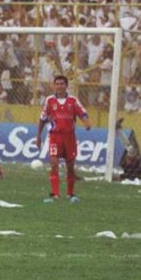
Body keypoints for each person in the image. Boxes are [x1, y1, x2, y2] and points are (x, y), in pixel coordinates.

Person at [36, 74, 91, 203]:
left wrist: (87, 122)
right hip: (55, 136)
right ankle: (55, 194)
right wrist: (38, 136)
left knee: (70, 166)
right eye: (57, 84)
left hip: (69, 137)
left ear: (66, 86)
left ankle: (70, 194)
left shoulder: (73, 100)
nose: (60, 86)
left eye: (62, 84)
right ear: (54, 86)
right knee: (54, 163)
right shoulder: (49, 100)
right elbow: (42, 119)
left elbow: (82, 112)